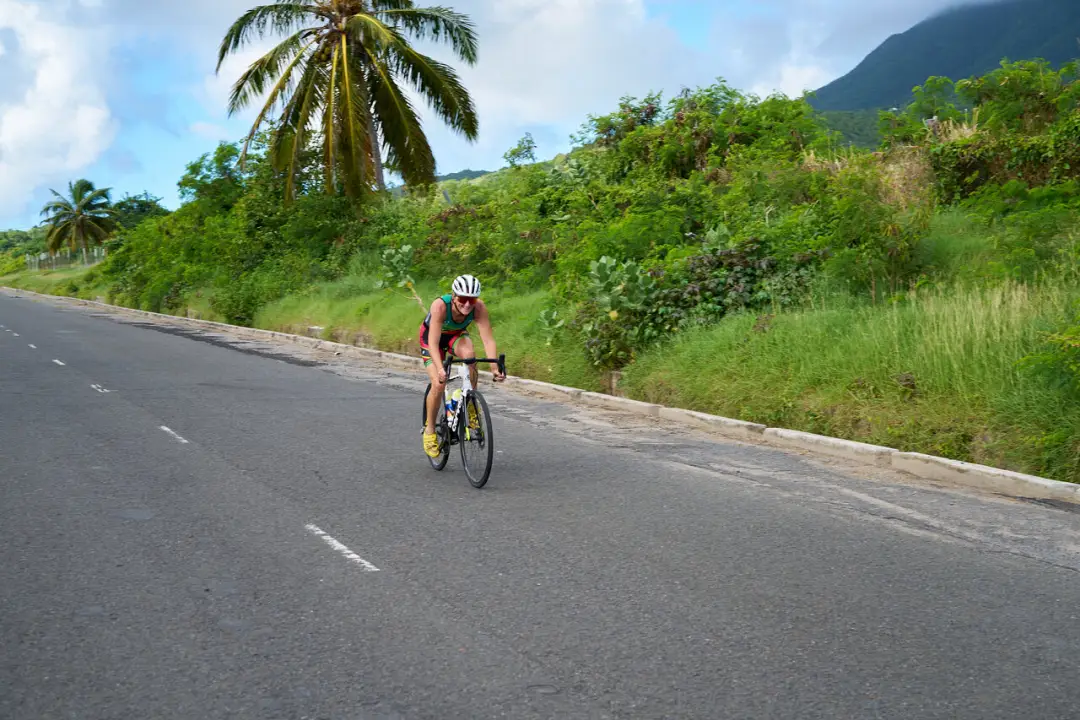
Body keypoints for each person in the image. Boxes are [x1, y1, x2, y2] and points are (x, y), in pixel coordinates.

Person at [420, 274, 505, 457]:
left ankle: (470, 403)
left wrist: (494, 368)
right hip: (431, 340)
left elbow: (488, 340)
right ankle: (429, 431)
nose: (467, 304)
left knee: (470, 356)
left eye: (472, 299)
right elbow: (433, 344)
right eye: (463, 299)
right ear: (454, 296)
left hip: (454, 335)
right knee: (439, 383)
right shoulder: (440, 306)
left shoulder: (479, 308)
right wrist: (441, 368)